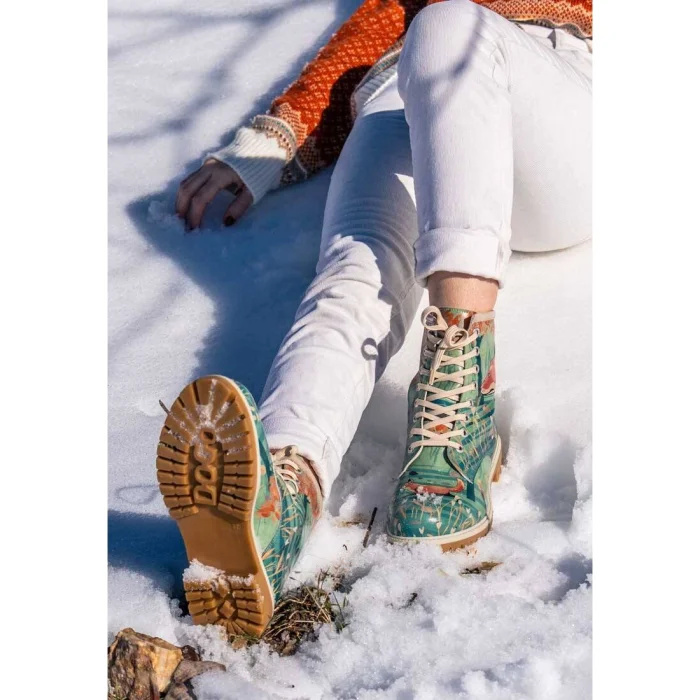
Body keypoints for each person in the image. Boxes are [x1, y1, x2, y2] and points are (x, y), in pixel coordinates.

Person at [157, 0, 592, 638]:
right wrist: (270, 142)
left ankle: (459, 409)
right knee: (355, 272)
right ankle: (278, 498)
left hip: (561, 102)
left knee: (448, 25)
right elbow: (376, 27)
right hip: (408, 92)